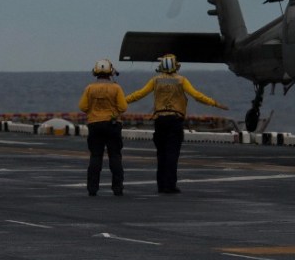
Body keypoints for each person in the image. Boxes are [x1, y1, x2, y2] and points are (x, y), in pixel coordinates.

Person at [125, 54, 230, 194]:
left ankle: (161, 185)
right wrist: (214, 103)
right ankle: (170, 185)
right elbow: (197, 95)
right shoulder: (182, 80)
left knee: (161, 154)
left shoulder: (155, 80)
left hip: (160, 120)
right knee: (172, 154)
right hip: (175, 121)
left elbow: (138, 94)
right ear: (176, 66)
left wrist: (122, 101)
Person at [78, 59, 127, 197]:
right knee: (115, 156)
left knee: (95, 156)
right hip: (112, 125)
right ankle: (117, 188)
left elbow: (82, 107)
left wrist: (94, 111)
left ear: (95, 72)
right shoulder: (116, 88)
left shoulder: (89, 88)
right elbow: (123, 107)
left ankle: (92, 189)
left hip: (94, 124)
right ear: (110, 72)